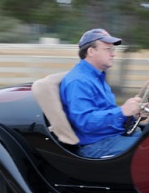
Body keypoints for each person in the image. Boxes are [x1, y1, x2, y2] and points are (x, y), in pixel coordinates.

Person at [60, 28, 143, 159]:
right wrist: (122, 111)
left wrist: (132, 115)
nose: (113, 54)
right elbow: (85, 122)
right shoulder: (79, 81)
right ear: (91, 51)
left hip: (108, 137)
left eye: (113, 50)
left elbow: (105, 113)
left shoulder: (96, 77)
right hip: (94, 145)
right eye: (107, 49)